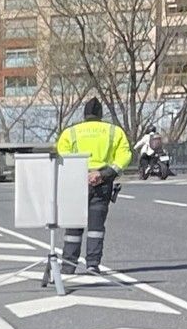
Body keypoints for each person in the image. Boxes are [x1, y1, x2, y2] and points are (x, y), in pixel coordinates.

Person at [54, 98, 131, 275]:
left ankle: (68, 265)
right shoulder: (114, 131)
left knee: (73, 227)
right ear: (101, 115)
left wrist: (82, 173)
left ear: (85, 114)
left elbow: (62, 153)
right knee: (96, 227)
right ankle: (93, 265)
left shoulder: (71, 132)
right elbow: (124, 156)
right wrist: (103, 174)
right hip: (102, 183)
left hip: (77, 182)